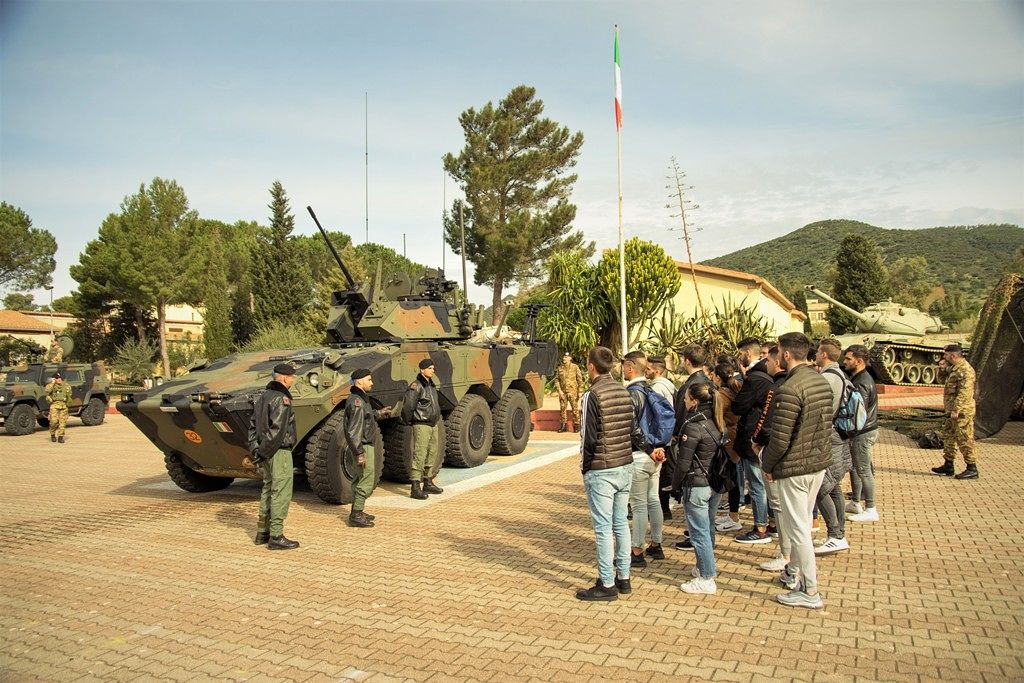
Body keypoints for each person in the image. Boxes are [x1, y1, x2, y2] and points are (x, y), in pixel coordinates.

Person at [757, 332, 833, 609]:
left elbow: (780, 438)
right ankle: (794, 574)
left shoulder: (790, 389)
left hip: (795, 468)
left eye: (776, 351)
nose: (775, 356)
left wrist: (768, 466)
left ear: (786, 354)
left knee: (798, 529)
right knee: (799, 525)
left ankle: (809, 591)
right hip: (817, 464)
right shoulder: (820, 381)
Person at [575, 346, 635, 602]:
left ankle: (607, 583)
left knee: (602, 528)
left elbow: (588, 436)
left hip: (602, 467)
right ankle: (623, 577)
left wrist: (585, 466)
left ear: (591, 366)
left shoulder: (592, 394)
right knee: (620, 523)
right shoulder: (624, 391)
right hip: (624, 463)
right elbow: (631, 428)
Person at [672, 382, 726, 595]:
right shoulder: (716, 421)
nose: (684, 401)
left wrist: (675, 486)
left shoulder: (693, 426)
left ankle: (707, 577)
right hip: (713, 484)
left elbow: (683, 463)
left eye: (686, 397)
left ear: (694, 401)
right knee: (708, 528)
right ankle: (704, 566)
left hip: (697, 484)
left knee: (698, 532)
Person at [622, 352, 667, 568]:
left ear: (631, 367)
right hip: (655, 453)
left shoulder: (632, 393)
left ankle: (637, 550)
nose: (622, 369)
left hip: (641, 455)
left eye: (624, 365)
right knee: (653, 500)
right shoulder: (651, 389)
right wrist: (657, 449)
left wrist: (648, 449)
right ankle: (656, 544)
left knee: (639, 506)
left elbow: (632, 429)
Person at [248, 363, 300, 550]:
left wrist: (257, 450)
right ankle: (276, 536)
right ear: (285, 378)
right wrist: (265, 451)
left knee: (268, 489)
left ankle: (262, 532)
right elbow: (277, 431)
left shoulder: (263, 397)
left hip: (266, 451)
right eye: (292, 377)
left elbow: (253, 426)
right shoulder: (282, 399)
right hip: (278, 451)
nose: (293, 380)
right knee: (281, 491)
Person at [729, 337, 773, 545]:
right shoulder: (766, 376)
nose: (739, 359)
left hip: (752, 436)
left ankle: (760, 526)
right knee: (762, 483)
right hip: (759, 434)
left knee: (756, 484)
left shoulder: (755, 379)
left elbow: (738, 406)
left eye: (740, 354)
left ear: (747, 354)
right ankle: (769, 522)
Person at [813, 340, 853, 554]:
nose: (816, 355)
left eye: (818, 351)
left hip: (829, 435)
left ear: (825, 354)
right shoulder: (839, 375)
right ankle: (838, 534)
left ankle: (835, 534)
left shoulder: (828, 378)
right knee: (833, 486)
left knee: (820, 487)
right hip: (837, 433)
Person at [345, 368, 392, 527]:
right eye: (369, 380)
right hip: (363, 446)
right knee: (366, 478)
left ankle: (357, 510)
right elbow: (354, 430)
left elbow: (364, 418)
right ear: (360, 382)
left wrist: (378, 413)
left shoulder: (359, 399)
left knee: (360, 478)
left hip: (362, 445)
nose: (372, 383)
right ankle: (356, 515)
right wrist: (359, 453)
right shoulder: (357, 402)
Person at [842, 344, 880, 521]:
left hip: (863, 432)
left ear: (859, 361)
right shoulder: (858, 377)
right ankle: (856, 502)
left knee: (864, 470)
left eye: (849, 358)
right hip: (859, 432)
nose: (845, 361)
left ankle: (871, 507)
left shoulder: (863, 381)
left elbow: (859, 411)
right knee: (856, 468)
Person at [932, 343, 978, 480]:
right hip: (951, 410)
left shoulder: (965, 370)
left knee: (964, 438)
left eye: (945, 354)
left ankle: (972, 468)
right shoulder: (953, 368)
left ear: (953, 355)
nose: (943, 356)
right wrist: (941, 369)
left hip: (962, 412)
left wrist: (956, 409)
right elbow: (941, 381)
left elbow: (965, 393)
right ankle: (948, 464)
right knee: (949, 436)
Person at [401, 358, 444, 500]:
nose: (433, 370)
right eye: (430, 368)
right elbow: (408, 406)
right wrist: (408, 421)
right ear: (422, 370)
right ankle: (415, 487)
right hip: (422, 424)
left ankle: (428, 481)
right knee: (419, 454)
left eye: (433, 368)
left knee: (432, 452)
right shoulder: (416, 386)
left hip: (433, 424)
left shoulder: (431, 386)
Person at [711, 360, 744, 533]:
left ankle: (733, 517)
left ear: (717, 377)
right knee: (733, 478)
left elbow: (717, 418)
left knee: (729, 479)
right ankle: (733, 513)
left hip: (727, 440)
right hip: (735, 438)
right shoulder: (736, 389)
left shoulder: (721, 396)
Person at [645, 355, 676, 520]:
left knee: (661, 476)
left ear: (657, 370)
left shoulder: (657, 388)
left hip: (661, 438)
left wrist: (657, 439)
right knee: (664, 474)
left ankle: (662, 510)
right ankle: (663, 509)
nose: (646, 371)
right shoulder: (667, 386)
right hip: (666, 436)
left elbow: (659, 415)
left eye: (649, 368)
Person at [555, 352, 585, 432]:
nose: (564, 358)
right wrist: (559, 391)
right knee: (562, 409)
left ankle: (576, 426)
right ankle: (563, 426)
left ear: (570, 358)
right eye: (564, 357)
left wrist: (580, 391)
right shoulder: (560, 368)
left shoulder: (575, 367)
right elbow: (557, 380)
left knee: (575, 409)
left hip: (573, 392)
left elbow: (579, 380)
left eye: (566, 357)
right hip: (563, 392)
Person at [44, 372, 72, 443]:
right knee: (54, 422)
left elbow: (69, 394)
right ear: (54, 379)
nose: (59, 379)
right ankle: (52, 434)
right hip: (54, 405)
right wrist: (52, 383)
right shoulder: (50, 386)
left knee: (62, 422)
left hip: (63, 405)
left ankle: (60, 437)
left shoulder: (66, 385)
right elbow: (47, 391)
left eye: (59, 378)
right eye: (56, 378)